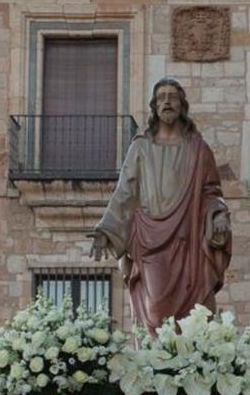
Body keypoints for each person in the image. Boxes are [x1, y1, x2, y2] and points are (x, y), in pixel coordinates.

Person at [91, 78, 232, 332]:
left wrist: (219, 214)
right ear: (154, 107)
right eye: (161, 98)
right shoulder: (141, 148)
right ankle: (154, 364)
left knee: (194, 316)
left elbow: (212, 191)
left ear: (182, 105)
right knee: (155, 312)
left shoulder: (199, 149)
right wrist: (107, 230)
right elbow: (125, 192)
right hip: (150, 241)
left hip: (188, 242)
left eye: (173, 97)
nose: (167, 101)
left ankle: (196, 367)